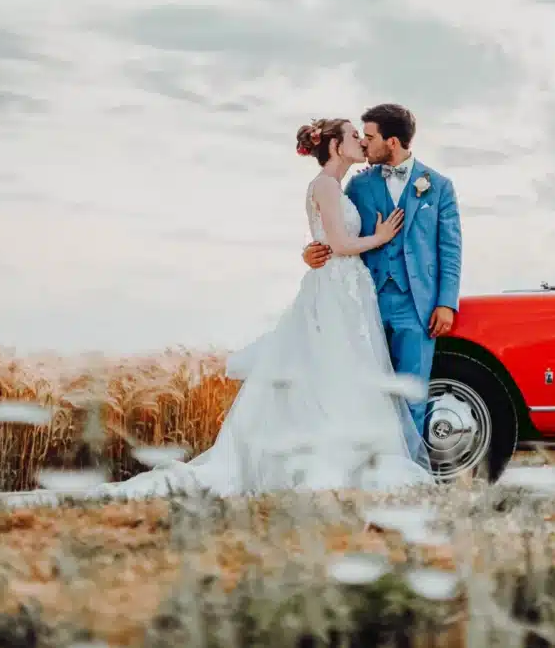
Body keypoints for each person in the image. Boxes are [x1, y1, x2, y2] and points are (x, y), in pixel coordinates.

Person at [96, 117, 435, 498]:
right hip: (336, 288)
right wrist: (380, 236)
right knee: (333, 367)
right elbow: (338, 245)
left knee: (341, 370)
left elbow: (326, 240)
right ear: (337, 147)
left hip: (348, 289)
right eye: (352, 136)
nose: (359, 139)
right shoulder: (324, 185)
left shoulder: (336, 187)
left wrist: (342, 242)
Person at [302, 103, 461, 438]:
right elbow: (333, 228)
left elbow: (450, 248)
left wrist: (446, 302)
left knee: (412, 394)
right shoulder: (358, 186)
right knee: (368, 394)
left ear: (392, 142)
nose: (364, 144)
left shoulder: (440, 186)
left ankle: (414, 477)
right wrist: (310, 252)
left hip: (417, 307)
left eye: (370, 137)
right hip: (364, 301)